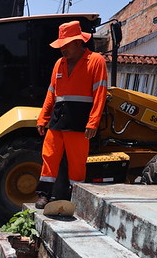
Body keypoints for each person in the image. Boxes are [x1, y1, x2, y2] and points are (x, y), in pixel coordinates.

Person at [35, 20, 108, 209]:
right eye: (61, 46)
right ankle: (44, 195)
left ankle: (76, 199)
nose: (62, 50)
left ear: (78, 42)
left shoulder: (96, 61)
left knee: (77, 164)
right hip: (57, 119)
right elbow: (51, 93)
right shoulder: (59, 64)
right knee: (49, 157)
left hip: (79, 121)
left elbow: (100, 93)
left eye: (65, 45)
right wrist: (43, 118)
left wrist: (93, 123)